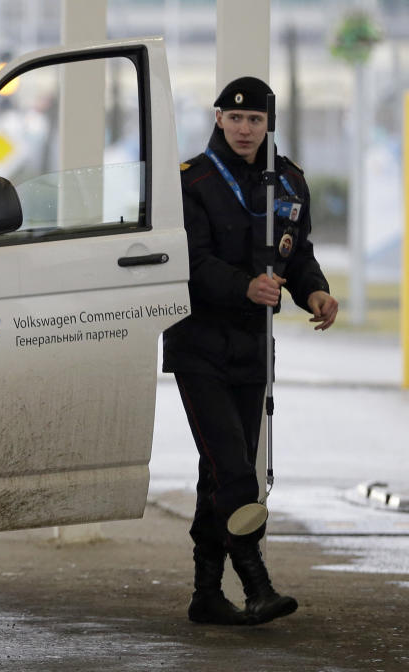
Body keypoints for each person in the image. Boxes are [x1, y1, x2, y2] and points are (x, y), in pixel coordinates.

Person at [162, 76, 339, 626]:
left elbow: (297, 252)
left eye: (255, 120)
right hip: (200, 347)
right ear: (218, 118)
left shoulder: (288, 182)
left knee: (218, 472)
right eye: (234, 118)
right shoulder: (190, 181)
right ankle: (256, 584)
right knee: (238, 471)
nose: (244, 129)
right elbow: (189, 261)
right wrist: (243, 286)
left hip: (252, 348)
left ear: (269, 124)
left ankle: (206, 594)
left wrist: (313, 290)